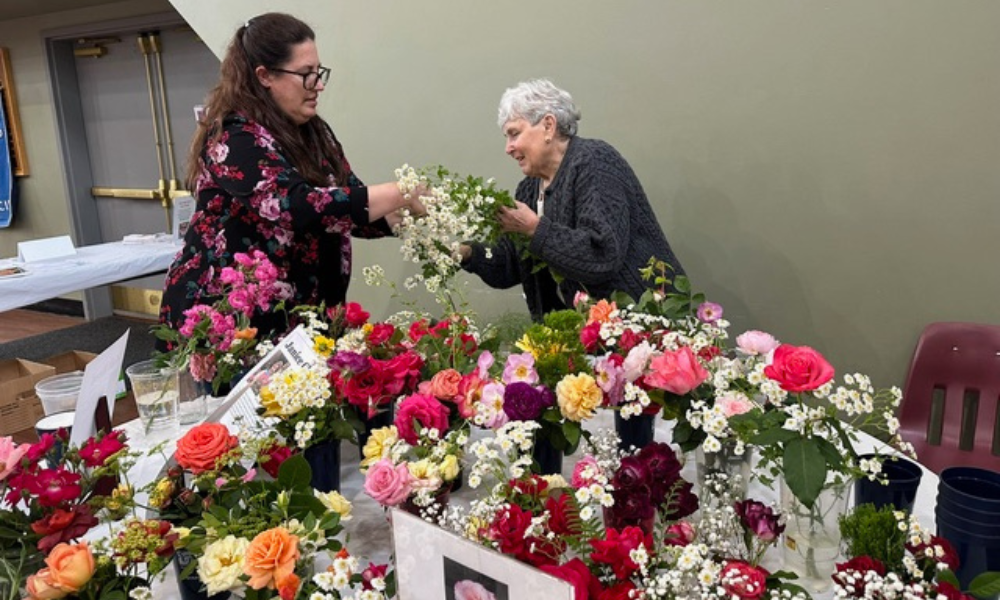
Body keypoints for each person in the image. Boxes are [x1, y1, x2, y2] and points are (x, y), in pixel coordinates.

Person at [159, 13, 423, 344]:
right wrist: (399, 191)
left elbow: (347, 205)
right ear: (264, 75)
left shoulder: (312, 133)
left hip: (298, 317)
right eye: (306, 75)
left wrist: (406, 216)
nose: (319, 85)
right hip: (234, 324)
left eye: (318, 73)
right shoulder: (234, 138)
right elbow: (295, 207)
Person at [460, 79, 685, 322]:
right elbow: (509, 265)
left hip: (643, 328)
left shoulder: (595, 162)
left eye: (515, 133)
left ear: (548, 126)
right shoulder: (528, 190)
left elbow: (602, 255)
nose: (508, 147)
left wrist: (534, 229)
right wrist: (463, 252)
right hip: (587, 339)